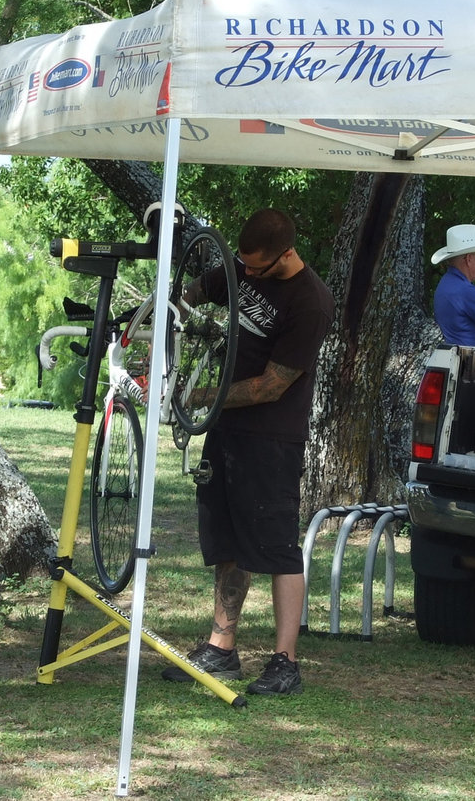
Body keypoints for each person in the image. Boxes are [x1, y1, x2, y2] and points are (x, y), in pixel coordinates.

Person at [161, 208, 333, 696]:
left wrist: (204, 397)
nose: (247, 275)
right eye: (244, 265)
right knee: (229, 538)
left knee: (277, 547)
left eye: (258, 269)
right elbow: (197, 291)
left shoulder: (311, 303)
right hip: (227, 431)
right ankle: (221, 649)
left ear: (287, 253)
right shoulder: (242, 266)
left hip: (273, 436)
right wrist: (178, 313)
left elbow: (271, 387)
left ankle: (286, 662)